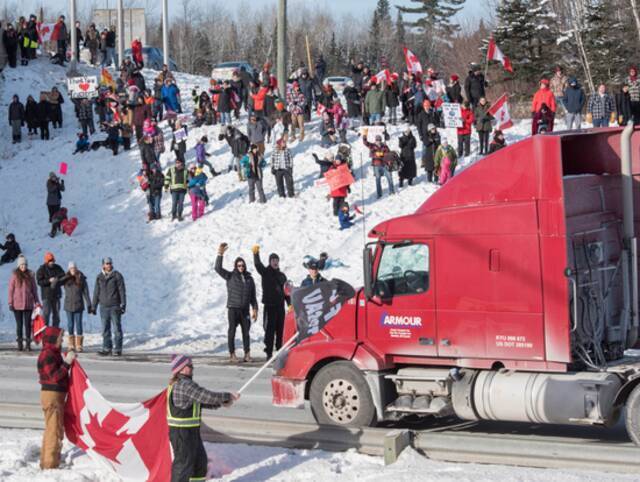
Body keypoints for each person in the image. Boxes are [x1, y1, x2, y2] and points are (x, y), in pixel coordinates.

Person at [167, 355, 238, 482]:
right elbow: (205, 396)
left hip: (191, 432)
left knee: (199, 465)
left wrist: (222, 402)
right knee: (183, 466)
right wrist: (227, 395)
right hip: (182, 434)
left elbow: (200, 402)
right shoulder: (184, 385)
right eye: (190, 365)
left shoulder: (186, 384)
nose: (192, 367)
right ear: (181, 369)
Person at [38, 326, 76, 469]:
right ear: (52, 339)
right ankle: (49, 465)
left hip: (55, 396)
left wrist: (68, 356)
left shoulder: (53, 353)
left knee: (54, 429)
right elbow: (54, 376)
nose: (61, 341)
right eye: (60, 338)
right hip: (52, 396)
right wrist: (67, 363)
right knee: (53, 430)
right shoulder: (47, 355)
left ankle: (47, 460)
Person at [215, 243, 258, 362]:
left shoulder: (249, 278)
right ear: (235, 266)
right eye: (239, 265)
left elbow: (253, 296)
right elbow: (218, 269)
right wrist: (220, 254)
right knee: (232, 331)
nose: (241, 267)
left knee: (246, 333)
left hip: (244, 310)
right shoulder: (230, 276)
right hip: (233, 308)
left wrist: (255, 309)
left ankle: (247, 354)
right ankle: (232, 354)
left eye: (243, 265)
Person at [252, 246, 289, 359]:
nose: (275, 262)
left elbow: (286, 291)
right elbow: (258, 265)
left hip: (280, 307)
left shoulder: (282, 276)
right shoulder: (265, 272)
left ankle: (279, 350)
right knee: (269, 330)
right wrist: (256, 254)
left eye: (277, 260)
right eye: (273, 260)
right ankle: (268, 352)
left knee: (280, 329)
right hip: (269, 306)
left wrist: (290, 303)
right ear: (270, 262)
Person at [90, 257, 126, 356]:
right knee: (105, 329)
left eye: (110, 263)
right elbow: (96, 293)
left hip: (115, 306)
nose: (109, 265)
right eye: (107, 263)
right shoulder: (99, 277)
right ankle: (107, 348)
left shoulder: (117, 276)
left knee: (117, 329)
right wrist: (94, 306)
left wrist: (123, 304)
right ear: (103, 265)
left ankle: (118, 349)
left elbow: (122, 291)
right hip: (103, 307)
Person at [8, 256, 39, 351]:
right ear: (19, 265)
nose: (23, 266)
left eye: (25, 264)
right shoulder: (15, 275)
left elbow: (34, 290)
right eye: (21, 265)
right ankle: (20, 344)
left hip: (28, 304)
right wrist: (10, 302)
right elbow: (11, 290)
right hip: (17, 304)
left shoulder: (30, 275)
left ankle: (28, 344)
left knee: (28, 325)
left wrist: (37, 301)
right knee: (19, 325)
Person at [62, 261, 91, 353]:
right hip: (68, 305)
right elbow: (56, 285)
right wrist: (55, 280)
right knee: (70, 324)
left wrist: (89, 304)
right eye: (71, 268)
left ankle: (79, 345)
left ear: (76, 268)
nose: (73, 270)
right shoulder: (65, 278)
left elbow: (86, 292)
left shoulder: (81, 278)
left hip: (78, 305)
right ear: (69, 269)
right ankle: (71, 344)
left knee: (78, 324)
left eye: (74, 268)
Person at [36, 252, 65, 328]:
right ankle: (44, 329)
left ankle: (55, 329)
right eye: (50, 261)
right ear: (46, 261)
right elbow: (39, 282)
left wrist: (56, 279)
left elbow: (64, 277)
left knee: (56, 314)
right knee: (46, 314)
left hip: (56, 295)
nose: (51, 262)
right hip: (46, 295)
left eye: (52, 260)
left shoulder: (58, 267)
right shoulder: (41, 269)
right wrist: (49, 280)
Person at [363, 131, 393, 198]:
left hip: (385, 164)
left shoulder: (385, 146)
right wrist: (364, 137)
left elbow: (389, 154)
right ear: (375, 140)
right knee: (378, 179)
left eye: (379, 140)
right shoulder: (372, 146)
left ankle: (392, 191)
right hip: (376, 164)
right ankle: (379, 194)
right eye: (377, 140)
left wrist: (383, 154)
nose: (378, 141)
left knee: (389, 177)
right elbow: (366, 144)